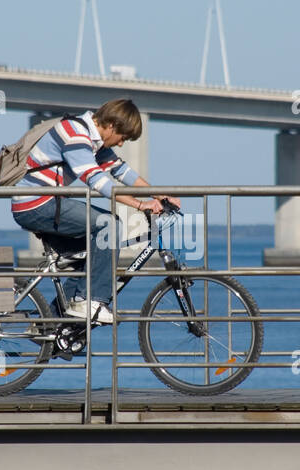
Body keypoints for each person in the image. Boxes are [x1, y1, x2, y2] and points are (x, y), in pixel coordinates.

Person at [11, 98, 178, 324]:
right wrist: (141, 206)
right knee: (108, 225)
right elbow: (97, 180)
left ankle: (51, 324)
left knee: (94, 254)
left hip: (49, 203)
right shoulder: (75, 134)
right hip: (36, 204)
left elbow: (121, 171)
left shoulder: (93, 138)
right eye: (123, 138)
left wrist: (159, 195)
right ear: (111, 126)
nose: (121, 144)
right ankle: (90, 302)